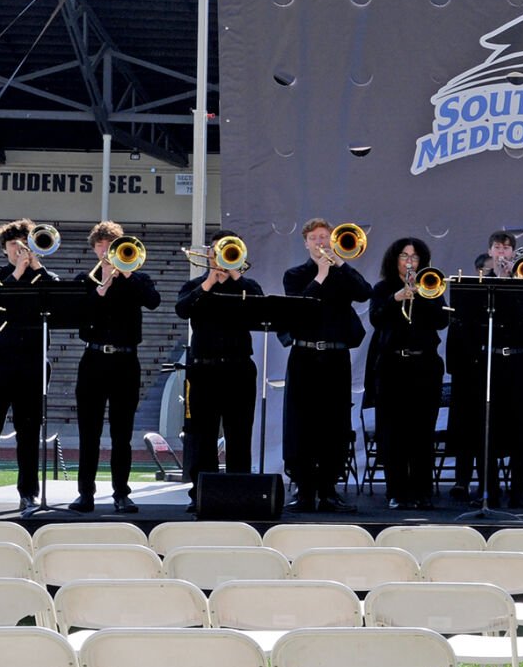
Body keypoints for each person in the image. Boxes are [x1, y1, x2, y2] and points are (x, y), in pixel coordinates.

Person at [447, 230, 523, 508]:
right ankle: (487, 490)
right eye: (497, 248)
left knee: (518, 428)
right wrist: (499, 281)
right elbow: (467, 318)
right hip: (488, 363)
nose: (501, 253)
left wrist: (516, 279)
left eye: (506, 248)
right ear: (490, 253)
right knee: (486, 427)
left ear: (512, 253)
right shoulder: (479, 285)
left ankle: (518, 493)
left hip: (516, 362)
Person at [0, 217, 58, 515]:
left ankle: (28, 494)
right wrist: (18, 271)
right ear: (5, 248)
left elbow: (57, 303)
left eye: (25, 245)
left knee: (29, 431)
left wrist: (35, 268)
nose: (19, 250)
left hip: (32, 362)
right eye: (13, 245)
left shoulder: (45, 276)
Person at [281, 218, 372, 513]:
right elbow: (298, 307)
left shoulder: (343, 273)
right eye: (315, 238)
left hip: (335, 357)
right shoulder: (295, 275)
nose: (321, 242)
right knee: (301, 423)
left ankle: (330, 489)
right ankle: (304, 490)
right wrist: (320, 275)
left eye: (325, 237)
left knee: (335, 423)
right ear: (306, 242)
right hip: (304, 357)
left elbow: (364, 292)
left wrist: (339, 266)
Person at [71, 221, 160, 514]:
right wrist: (104, 284)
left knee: (122, 433)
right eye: (101, 246)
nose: (107, 251)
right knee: (90, 432)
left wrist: (126, 274)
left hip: (125, 361)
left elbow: (153, 301)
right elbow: (80, 316)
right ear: (95, 249)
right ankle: (86, 494)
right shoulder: (84, 281)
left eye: (112, 245)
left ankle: (121, 493)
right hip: (94, 360)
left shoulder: (138, 279)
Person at [174, 229, 263, 496]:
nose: (220, 255)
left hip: (239, 369)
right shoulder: (196, 286)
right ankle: (202, 493)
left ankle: (240, 492)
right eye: (216, 250)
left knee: (239, 433)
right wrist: (210, 281)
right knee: (202, 435)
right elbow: (182, 309)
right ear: (209, 253)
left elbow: (261, 305)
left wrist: (235, 274)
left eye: (228, 249)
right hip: (203, 369)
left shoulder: (246, 287)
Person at [368, 238, 446, 510]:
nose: (409, 261)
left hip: (425, 366)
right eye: (404, 256)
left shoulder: (432, 285)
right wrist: (396, 298)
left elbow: (442, 321)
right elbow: (376, 319)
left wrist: (422, 295)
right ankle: (397, 491)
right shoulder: (382, 288)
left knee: (423, 432)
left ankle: (422, 491)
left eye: (414, 257)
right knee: (393, 432)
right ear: (395, 260)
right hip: (392, 367)